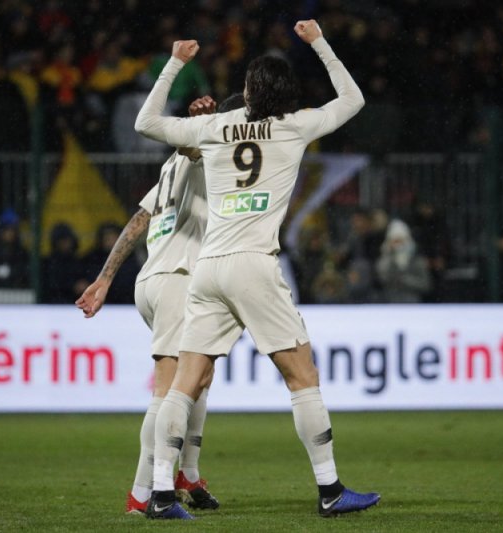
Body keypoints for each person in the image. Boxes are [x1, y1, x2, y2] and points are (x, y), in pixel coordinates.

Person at [133, 20, 379, 519]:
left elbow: (146, 122)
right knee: (302, 374)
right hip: (253, 265)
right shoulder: (295, 126)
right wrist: (319, 43)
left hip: (208, 268)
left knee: (185, 382)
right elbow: (353, 99)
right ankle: (330, 489)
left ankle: (159, 495)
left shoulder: (216, 127)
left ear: (247, 93)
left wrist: (175, 63)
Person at [76, 94, 246, 515]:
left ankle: (187, 474)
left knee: (198, 376)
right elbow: (198, 146)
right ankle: (142, 494)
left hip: (154, 278)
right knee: (169, 390)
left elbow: (139, 219)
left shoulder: (172, 164)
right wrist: (204, 123)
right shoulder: (210, 147)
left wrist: (105, 277)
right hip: (177, 279)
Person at [375, 219, 431, 303]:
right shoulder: (384, 259)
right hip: (390, 303)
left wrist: (405, 280)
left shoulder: (417, 260)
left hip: (412, 304)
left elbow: (425, 284)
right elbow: (381, 278)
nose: (398, 245)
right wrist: (390, 257)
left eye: (400, 240)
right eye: (395, 241)